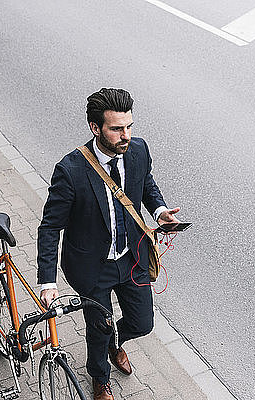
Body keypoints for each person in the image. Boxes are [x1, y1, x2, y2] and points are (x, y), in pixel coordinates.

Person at [37, 88, 180, 400]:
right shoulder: (71, 170)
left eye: (128, 126)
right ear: (95, 128)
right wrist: (47, 282)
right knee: (98, 327)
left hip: (132, 258)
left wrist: (159, 210)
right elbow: (50, 228)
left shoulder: (138, 150)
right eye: (116, 129)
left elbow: (146, 184)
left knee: (143, 323)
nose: (125, 135)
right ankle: (99, 377)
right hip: (92, 268)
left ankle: (118, 340)